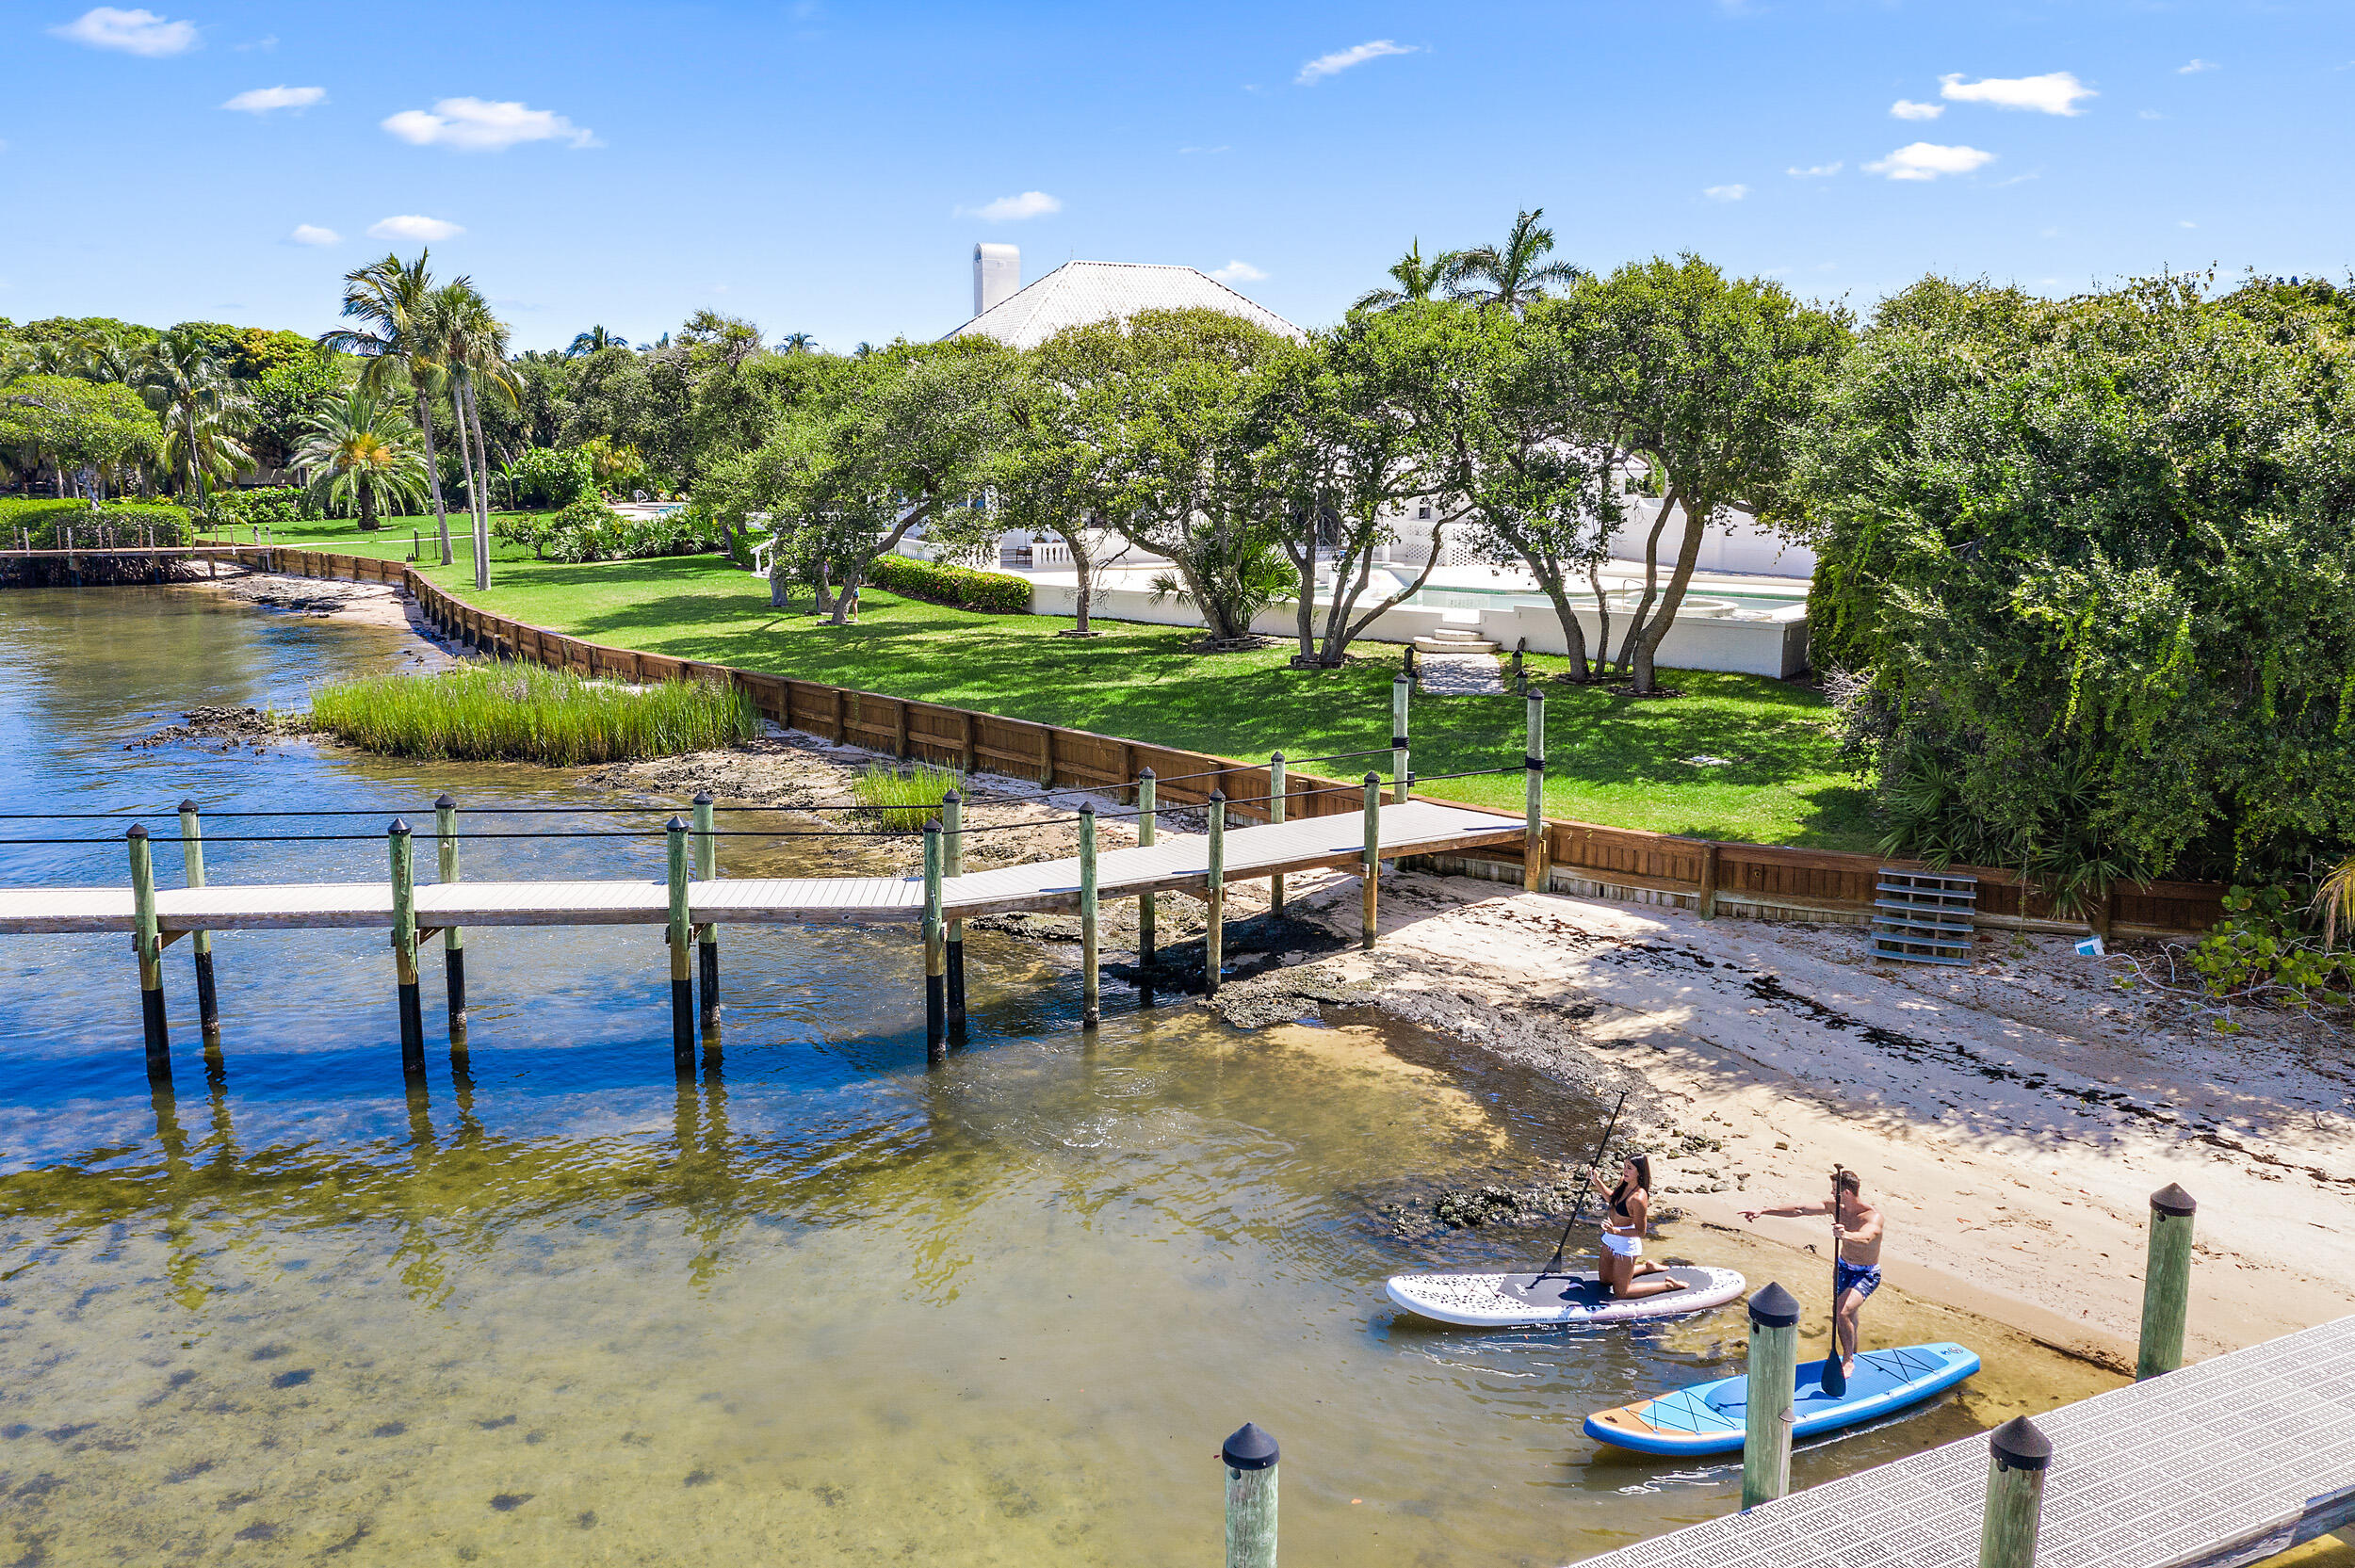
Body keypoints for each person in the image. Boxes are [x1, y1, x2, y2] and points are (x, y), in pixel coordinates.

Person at [1743, 1169, 1885, 1377]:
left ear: (1846, 1192)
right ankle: (1853, 1350)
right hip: (1843, 1267)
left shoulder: (1872, 1216)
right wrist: (1764, 1211)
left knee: (1842, 1312)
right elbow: (1800, 1209)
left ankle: (1848, 1359)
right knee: (1849, 1312)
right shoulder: (1836, 1206)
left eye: (1834, 1190)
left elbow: (1867, 1237)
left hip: (1866, 1273)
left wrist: (1845, 1235)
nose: (1831, 1193)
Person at [1590, 1154, 1687, 1300]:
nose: (1625, 1170)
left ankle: (1668, 1285)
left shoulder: (1639, 1198)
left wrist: (1615, 1230)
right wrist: (1596, 1180)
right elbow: (1612, 1199)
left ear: (1639, 1172)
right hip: (1610, 1238)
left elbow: (1641, 1231)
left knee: (1621, 1293)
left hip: (1626, 1244)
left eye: (1629, 1168)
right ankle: (1647, 1267)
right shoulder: (1623, 1182)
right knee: (1605, 1281)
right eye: (1624, 1166)